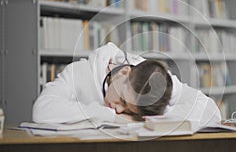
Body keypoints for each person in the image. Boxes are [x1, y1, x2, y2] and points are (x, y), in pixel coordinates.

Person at [33, 42, 221, 128]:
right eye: (122, 99)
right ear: (124, 73)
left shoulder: (155, 82)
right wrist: (109, 116)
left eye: (129, 110)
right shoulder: (80, 72)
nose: (118, 109)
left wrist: (155, 119)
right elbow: (41, 110)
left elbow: (212, 112)